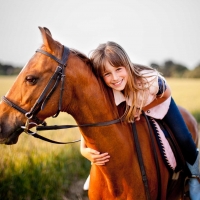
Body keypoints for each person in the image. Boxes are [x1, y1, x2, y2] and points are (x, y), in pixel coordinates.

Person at [80, 41, 200, 199]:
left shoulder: (148, 80)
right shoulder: (106, 90)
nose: (115, 78)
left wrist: (141, 109)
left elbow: (166, 93)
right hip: (131, 110)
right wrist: (83, 149)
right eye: (107, 74)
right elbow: (94, 120)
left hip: (159, 105)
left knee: (184, 138)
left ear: (127, 66)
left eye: (118, 69)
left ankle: (195, 176)